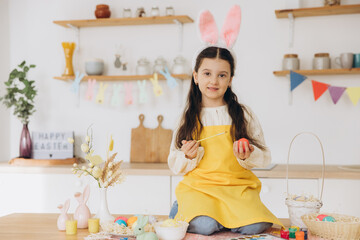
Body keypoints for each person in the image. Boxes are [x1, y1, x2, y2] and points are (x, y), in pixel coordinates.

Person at [166, 6, 282, 235]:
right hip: (200, 189)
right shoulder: (188, 116)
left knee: (257, 226)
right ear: (196, 76)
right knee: (206, 226)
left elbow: (265, 155)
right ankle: (187, 208)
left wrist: (247, 154)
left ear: (230, 79)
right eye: (207, 73)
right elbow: (173, 161)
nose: (214, 81)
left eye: (222, 75)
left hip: (237, 189)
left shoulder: (243, 113)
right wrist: (187, 155)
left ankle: (222, 218)